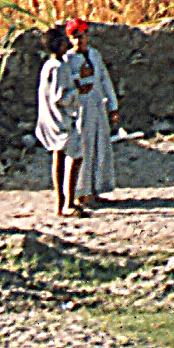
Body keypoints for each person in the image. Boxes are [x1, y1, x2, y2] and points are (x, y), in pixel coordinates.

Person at [63, 18, 118, 209]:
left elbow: (104, 80)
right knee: (84, 149)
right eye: (75, 36)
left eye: (83, 35)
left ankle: (96, 189)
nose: (80, 40)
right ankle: (81, 192)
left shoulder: (94, 55)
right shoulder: (68, 60)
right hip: (81, 108)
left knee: (100, 146)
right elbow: (68, 84)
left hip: (97, 106)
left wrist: (113, 106)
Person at [35, 25, 85, 218]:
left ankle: (60, 203)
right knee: (75, 155)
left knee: (59, 156)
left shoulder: (49, 65)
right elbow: (60, 97)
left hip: (49, 118)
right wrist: (78, 92)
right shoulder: (59, 67)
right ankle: (68, 202)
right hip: (59, 120)